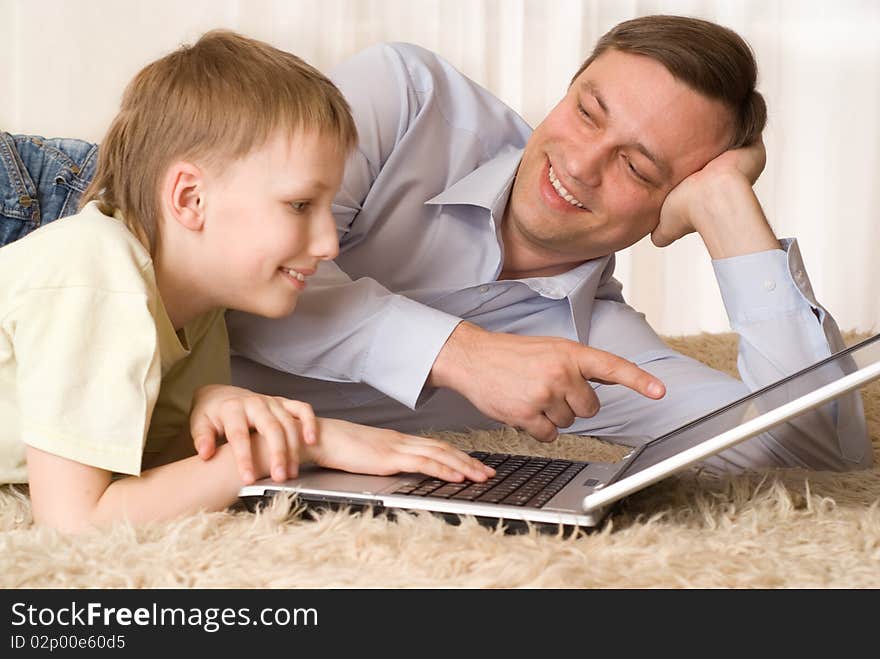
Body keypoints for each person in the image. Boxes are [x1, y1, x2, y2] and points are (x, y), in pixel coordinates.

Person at [0, 30, 496, 534]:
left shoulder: (197, 307)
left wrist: (209, 408)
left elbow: (152, 477)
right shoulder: (95, 274)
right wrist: (305, 440)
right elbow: (74, 525)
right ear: (191, 199)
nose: (329, 243)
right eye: (301, 205)